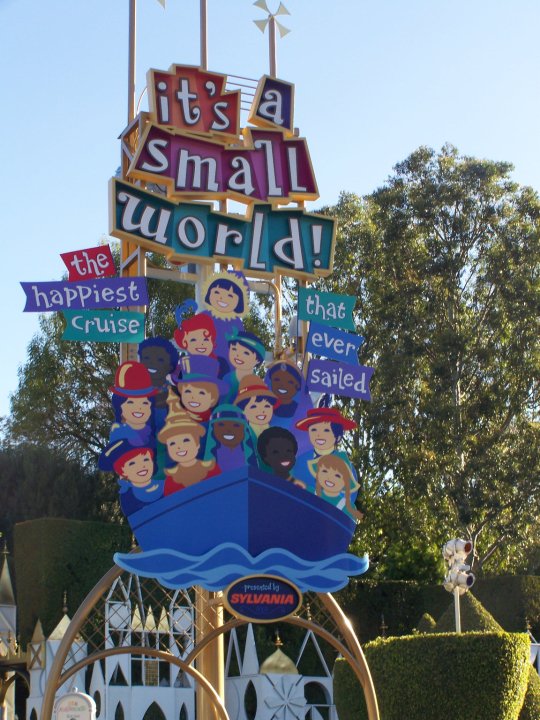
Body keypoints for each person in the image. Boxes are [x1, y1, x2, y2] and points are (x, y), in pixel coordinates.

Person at [158, 390, 220, 495]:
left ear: (197, 444)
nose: (179, 447)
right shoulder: (171, 480)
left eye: (186, 440)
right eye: (172, 443)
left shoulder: (211, 469)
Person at [294, 407, 359, 496]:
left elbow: (347, 497)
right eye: (314, 429)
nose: (318, 434)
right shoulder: (301, 459)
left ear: (338, 437)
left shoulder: (344, 465)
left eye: (326, 430)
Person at [99, 439, 163, 516]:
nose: (141, 466)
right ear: (123, 471)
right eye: (132, 463)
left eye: (145, 459)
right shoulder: (128, 497)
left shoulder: (166, 483)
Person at [199, 270, 250, 361]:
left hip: (226, 363)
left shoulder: (237, 323)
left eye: (230, 296)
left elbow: (238, 347)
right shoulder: (204, 316)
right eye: (217, 292)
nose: (222, 297)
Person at [108, 361, 158, 448]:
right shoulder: (120, 435)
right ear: (120, 406)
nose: (139, 407)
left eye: (145, 403)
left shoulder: (155, 432)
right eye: (130, 402)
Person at [309, 453, 364, 522]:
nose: (330, 477)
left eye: (337, 475)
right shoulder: (310, 492)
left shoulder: (346, 508)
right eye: (325, 471)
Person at [204, 404, 259, 472]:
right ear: (213, 429)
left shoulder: (250, 455)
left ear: (244, 430)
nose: (228, 430)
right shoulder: (210, 458)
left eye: (236, 425)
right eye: (221, 425)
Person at [222, 329, 266, 402]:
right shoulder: (227, 379)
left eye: (246, 353)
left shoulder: (257, 384)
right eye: (234, 349)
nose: (238, 355)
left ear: (257, 360)